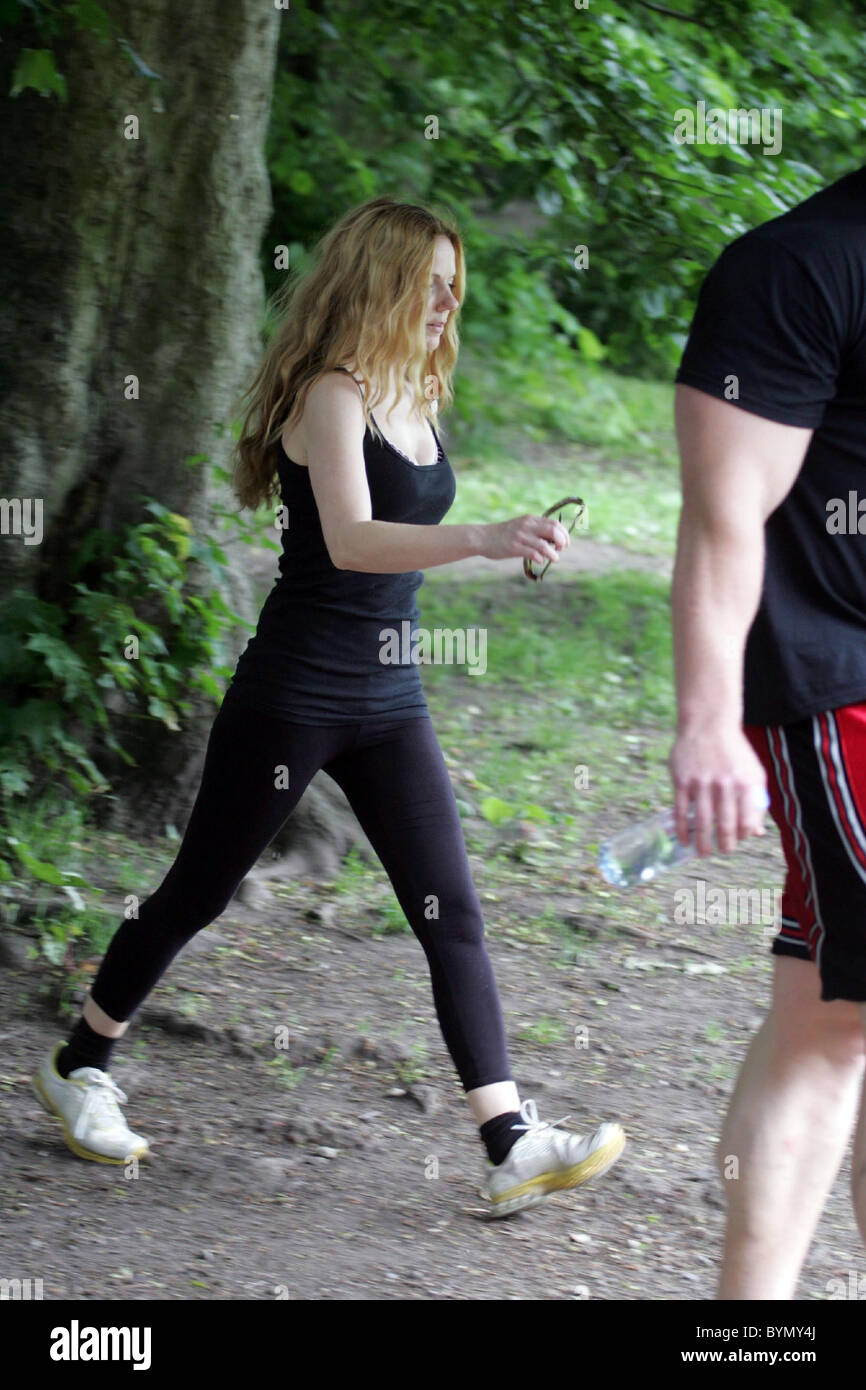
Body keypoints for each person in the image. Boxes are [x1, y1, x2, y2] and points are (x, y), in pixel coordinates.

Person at [32, 195, 625, 1218]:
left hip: (389, 693)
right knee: (197, 891)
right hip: (295, 691)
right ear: (379, 282)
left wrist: (511, 544)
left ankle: (507, 1137)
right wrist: (485, 535)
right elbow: (350, 540)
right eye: (428, 284)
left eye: (454, 286)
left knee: (451, 908)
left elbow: (397, 543)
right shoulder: (332, 396)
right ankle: (81, 1062)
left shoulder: (412, 393)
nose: (445, 302)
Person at [671, 164, 866, 1296]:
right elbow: (721, 515)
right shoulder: (795, 265)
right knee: (834, 1027)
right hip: (840, 687)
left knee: (822, 1017)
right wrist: (705, 720)